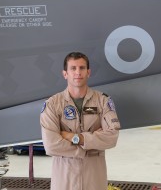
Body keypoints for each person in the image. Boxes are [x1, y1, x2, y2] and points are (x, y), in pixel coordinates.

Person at [40, 52, 121, 190]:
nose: (78, 72)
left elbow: (111, 137)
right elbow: (51, 145)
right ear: (65, 74)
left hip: (94, 178)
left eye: (82, 68)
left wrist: (76, 138)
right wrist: (89, 146)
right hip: (64, 179)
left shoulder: (103, 101)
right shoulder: (53, 104)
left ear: (88, 72)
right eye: (73, 68)